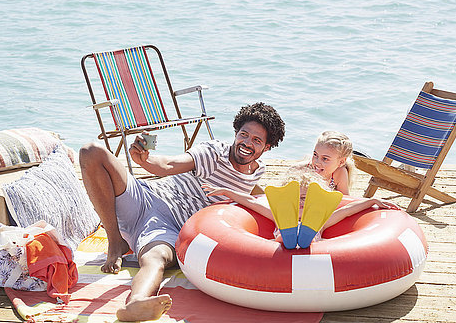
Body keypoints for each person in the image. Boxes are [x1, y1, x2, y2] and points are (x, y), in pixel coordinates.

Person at [79, 102, 285, 321]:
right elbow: (169, 164)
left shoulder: (257, 171)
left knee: (155, 260)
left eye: (256, 140)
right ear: (236, 133)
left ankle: (136, 303)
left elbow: (254, 192)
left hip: (171, 229)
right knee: (91, 151)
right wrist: (145, 160)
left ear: (267, 147)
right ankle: (115, 241)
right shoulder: (213, 153)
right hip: (145, 198)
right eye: (244, 134)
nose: (246, 143)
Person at [204, 169, 400, 243]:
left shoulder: (321, 220)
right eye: (296, 198)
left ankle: (304, 236)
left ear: (315, 201)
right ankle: (287, 236)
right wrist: (227, 192)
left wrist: (372, 201)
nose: (300, 202)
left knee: (316, 238)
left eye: (305, 199)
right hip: (280, 248)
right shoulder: (278, 214)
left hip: (312, 250)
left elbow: (347, 211)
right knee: (278, 238)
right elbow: (252, 202)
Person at [295, 130, 355, 195]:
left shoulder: (339, 173)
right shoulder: (301, 170)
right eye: (315, 155)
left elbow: (345, 198)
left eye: (325, 159)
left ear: (341, 162)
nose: (317, 162)